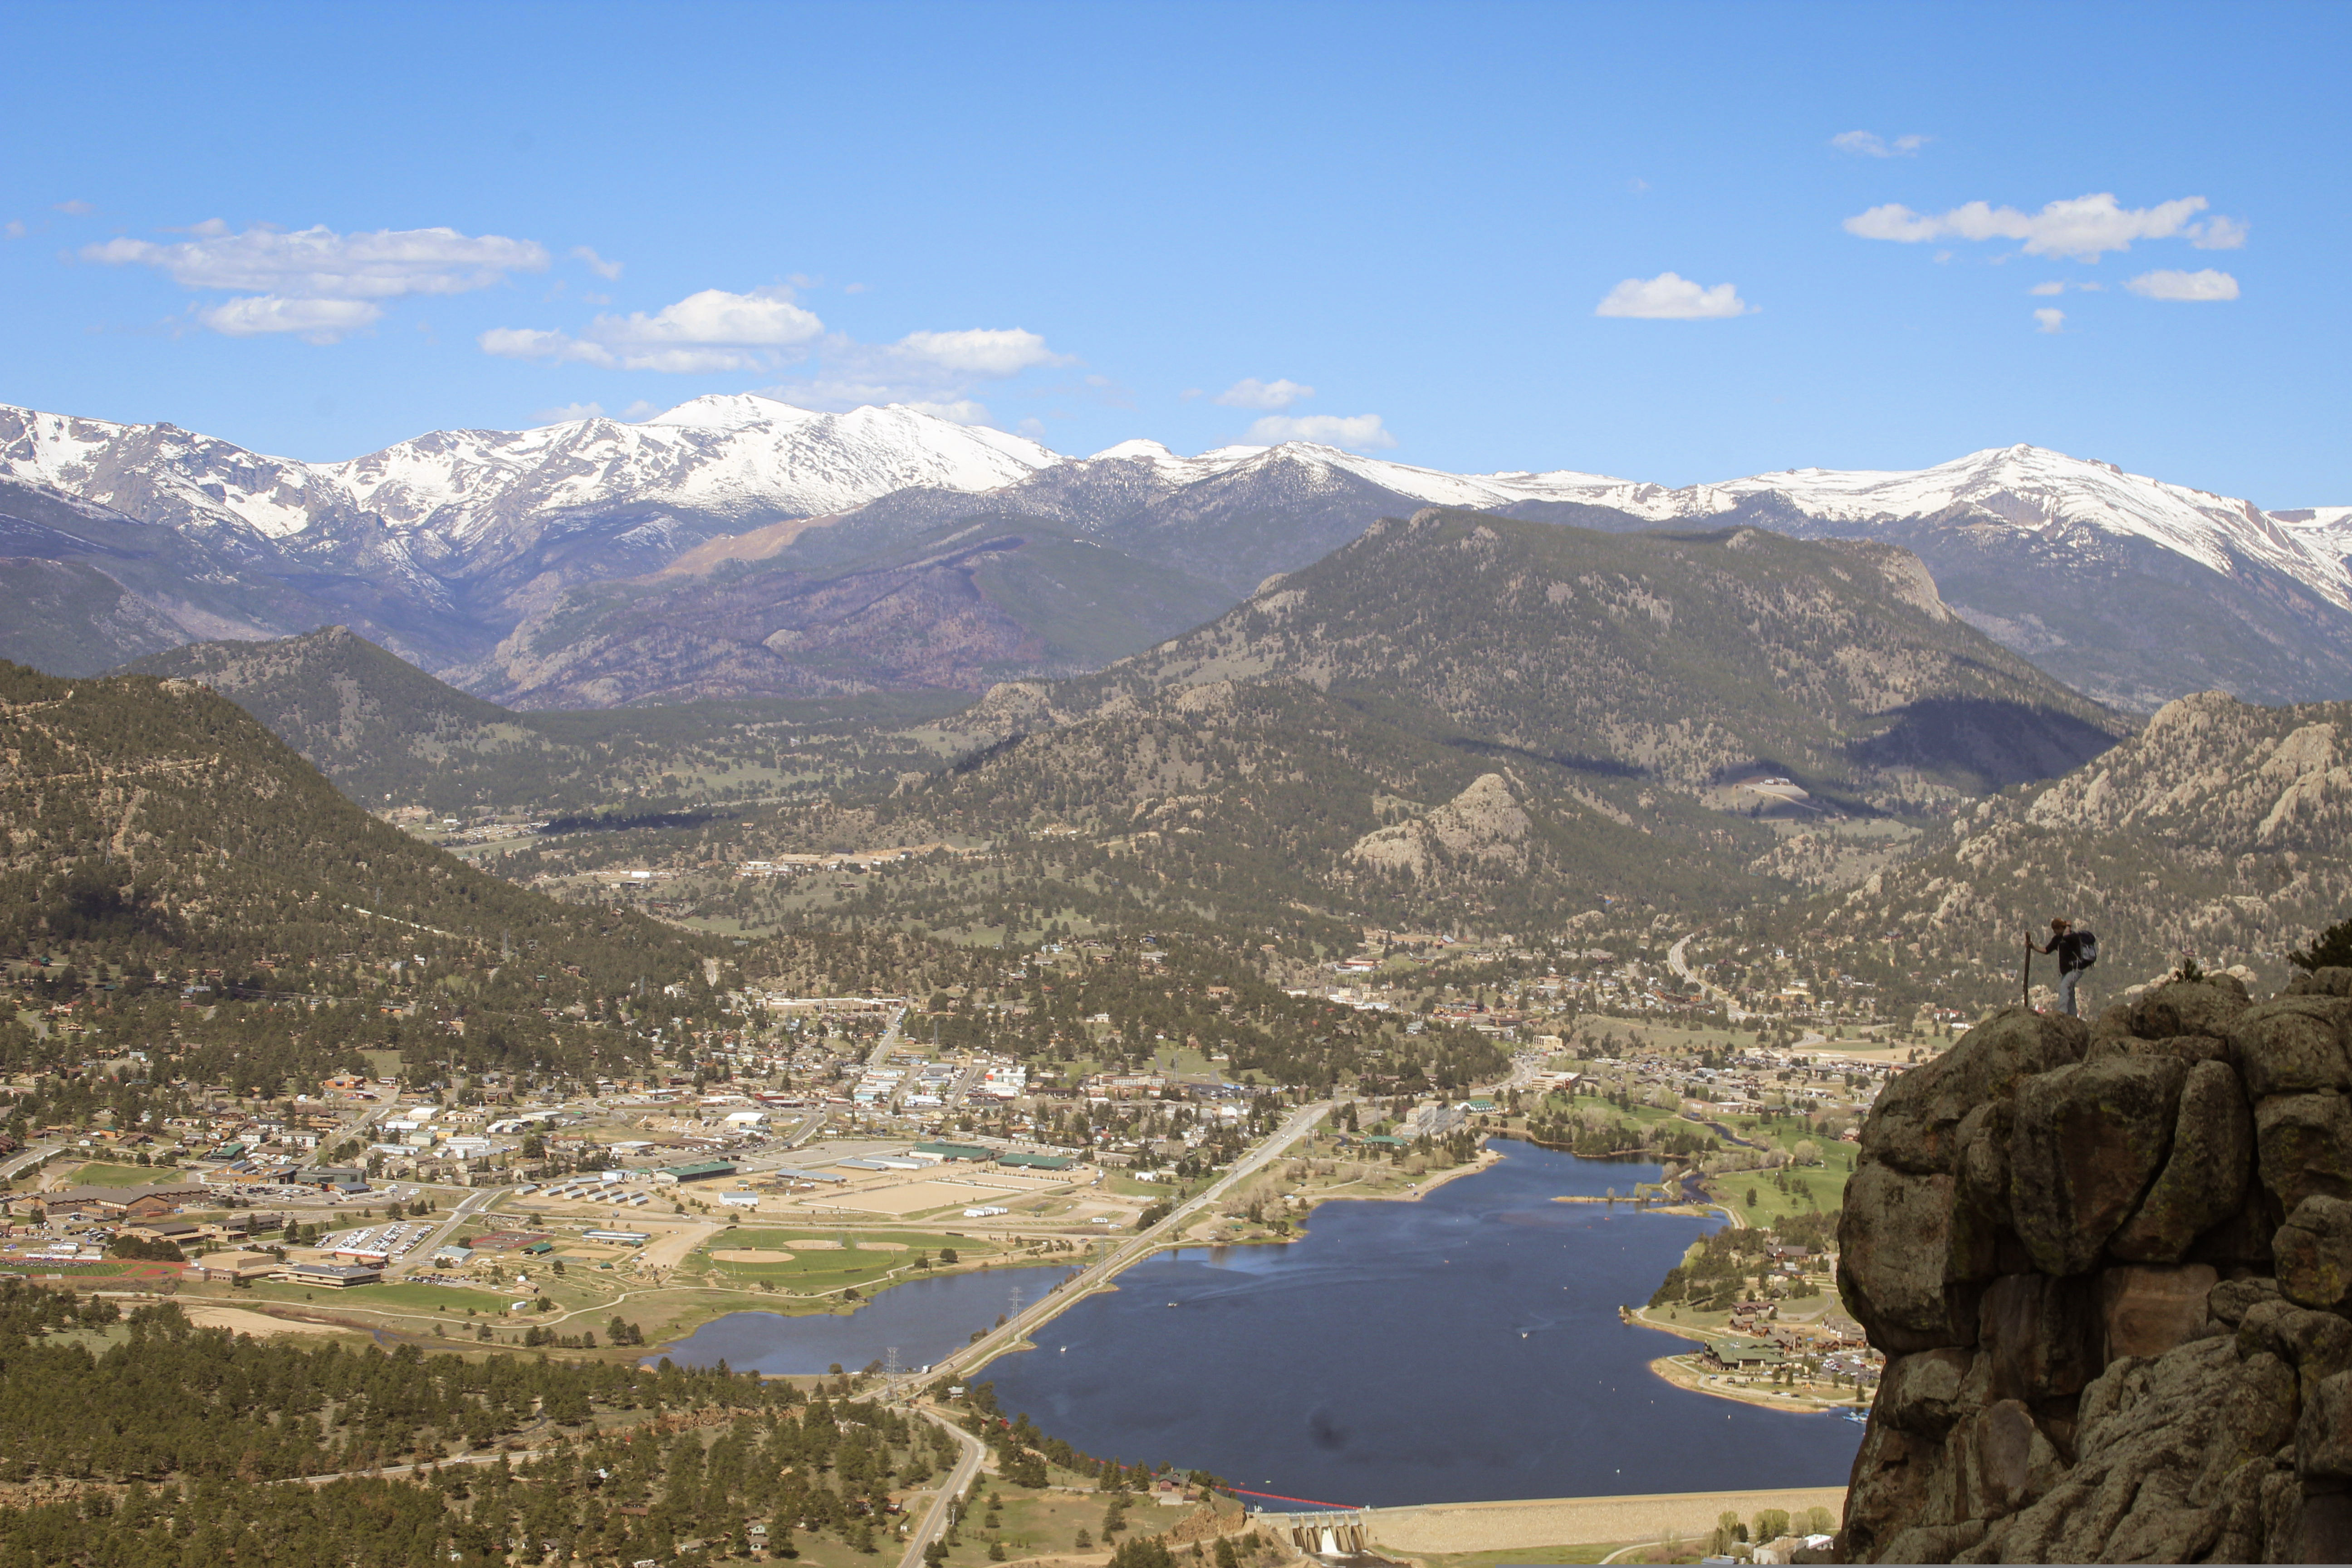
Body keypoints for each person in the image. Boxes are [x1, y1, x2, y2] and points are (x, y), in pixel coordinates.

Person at [2031, 917, 2092, 1017]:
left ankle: (2062, 1013)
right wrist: (2033, 947)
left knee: (2064, 987)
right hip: (2066, 972)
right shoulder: (2057, 939)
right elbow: (2046, 950)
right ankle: (2072, 1016)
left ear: (2060, 928)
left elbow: (2067, 936)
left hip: (2076, 969)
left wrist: (2067, 926)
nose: (2054, 932)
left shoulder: (2072, 936)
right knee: (2070, 994)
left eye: (2056, 930)